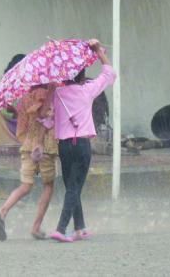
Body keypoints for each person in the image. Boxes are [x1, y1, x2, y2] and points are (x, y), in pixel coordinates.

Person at [50, 39, 116, 242]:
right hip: (82, 145)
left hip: (63, 146)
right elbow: (110, 74)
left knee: (72, 184)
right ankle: (61, 229)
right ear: (82, 76)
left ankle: (80, 227)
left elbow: (48, 118)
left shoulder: (57, 94)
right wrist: (97, 51)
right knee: (74, 187)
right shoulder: (87, 90)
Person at [0, 83, 58, 241]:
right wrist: (51, 94)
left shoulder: (25, 97)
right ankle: (36, 227)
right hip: (45, 147)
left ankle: (2, 211)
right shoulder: (45, 94)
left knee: (26, 185)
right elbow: (42, 116)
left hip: (28, 145)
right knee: (48, 186)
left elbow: (23, 121)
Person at [0, 54, 25, 146]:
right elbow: (2, 103)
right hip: (9, 115)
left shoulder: (30, 80)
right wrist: (13, 110)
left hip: (24, 116)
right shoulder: (5, 81)